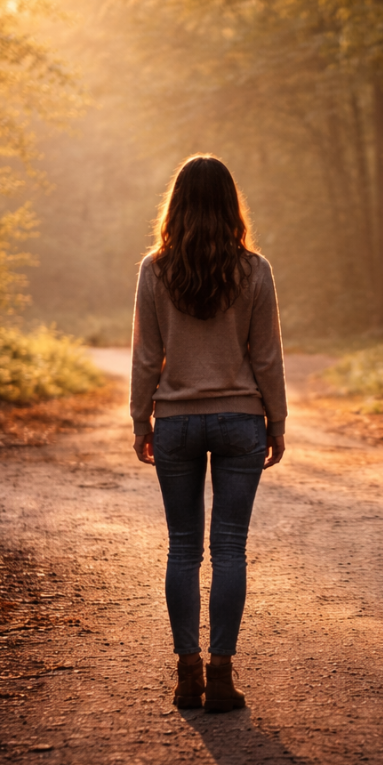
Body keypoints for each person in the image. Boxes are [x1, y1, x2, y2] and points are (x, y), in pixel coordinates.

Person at [129, 154, 286, 713]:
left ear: (175, 205)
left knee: (182, 548)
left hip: (175, 421)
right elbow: (266, 357)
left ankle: (186, 676)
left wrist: (140, 418)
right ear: (230, 204)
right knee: (229, 548)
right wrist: (277, 420)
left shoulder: (155, 270)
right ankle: (220, 676)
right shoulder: (254, 270)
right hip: (241, 421)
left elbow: (146, 355)